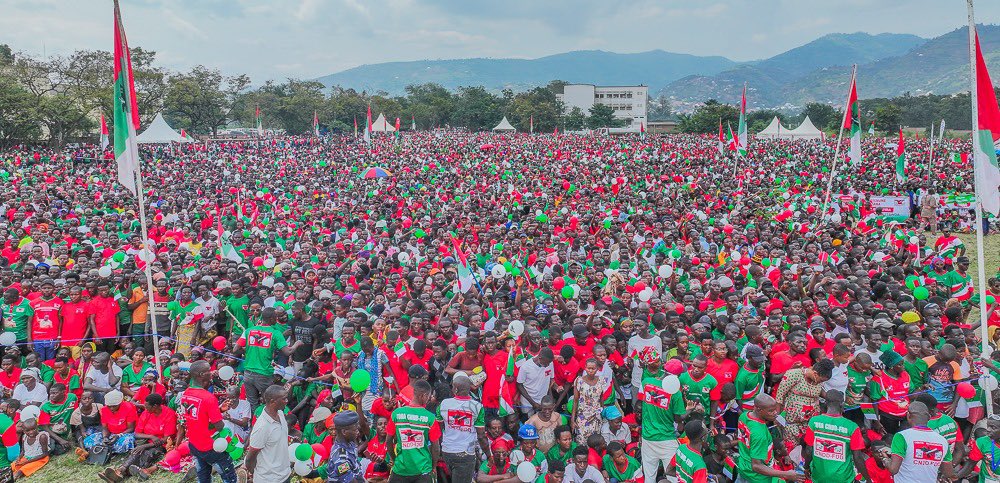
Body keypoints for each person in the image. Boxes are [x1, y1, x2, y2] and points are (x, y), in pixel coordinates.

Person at [179, 360, 236, 483]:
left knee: (203, 477)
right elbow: (219, 426)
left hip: (194, 444)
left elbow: (199, 418)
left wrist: (219, 410)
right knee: (229, 477)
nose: (212, 372)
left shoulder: (185, 394)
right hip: (211, 446)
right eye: (208, 370)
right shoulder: (208, 398)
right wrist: (222, 417)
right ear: (201, 375)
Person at [234, 307, 303, 409]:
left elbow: (235, 349)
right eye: (276, 317)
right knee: (269, 403)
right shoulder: (275, 333)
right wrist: (297, 344)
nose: (277, 319)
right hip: (264, 374)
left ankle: (254, 422)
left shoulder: (249, 330)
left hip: (248, 373)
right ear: (271, 319)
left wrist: (249, 350)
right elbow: (288, 351)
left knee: (252, 403)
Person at [802, 389, 869, 483]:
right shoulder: (852, 427)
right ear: (842, 405)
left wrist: (806, 467)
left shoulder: (814, 422)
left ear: (825, 403)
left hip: (819, 477)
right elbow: (857, 458)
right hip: (843, 478)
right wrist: (868, 479)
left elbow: (809, 451)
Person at [736, 394, 805, 483]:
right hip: (757, 478)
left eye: (775, 409)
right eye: (771, 411)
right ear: (759, 409)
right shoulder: (759, 434)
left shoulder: (744, 416)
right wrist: (786, 474)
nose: (775, 413)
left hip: (743, 469)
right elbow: (756, 466)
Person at [385, 379, 440, 483]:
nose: (428, 400)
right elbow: (435, 447)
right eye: (428, 397)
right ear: (423, 396)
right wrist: (433, 466)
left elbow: (388, 441)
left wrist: (394, 459)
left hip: (400, 468)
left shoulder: (396, 414)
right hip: (423, 469)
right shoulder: (430, 418)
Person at [886, 401, 955, 483]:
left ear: (908, 415)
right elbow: (948, 473)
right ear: (929, 417)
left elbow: (893, 469)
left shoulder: (901, 436)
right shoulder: (942, 441)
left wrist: (885, 459)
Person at [437, 375, 487, 483]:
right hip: (465, 454)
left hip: (447, 452)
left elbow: (438, 430)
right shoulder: (478, 407)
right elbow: (482, 436)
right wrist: (489, 455)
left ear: (455, 389)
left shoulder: (443, 404)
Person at [636, 369, 684, 482]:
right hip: (666, 439)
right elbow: (678, 418)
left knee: (649, 476)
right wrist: (689, 410)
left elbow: (640, 401)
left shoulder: (646, 382)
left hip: (648, 437)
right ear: (678, 375)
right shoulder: (676, 392)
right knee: (673, 478)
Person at [244, 385, 291, 483]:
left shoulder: (281, 414)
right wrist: (256, 474)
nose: (287, 401)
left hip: (285, 475)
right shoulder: (262, 427)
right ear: (273, 401)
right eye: (284, 399)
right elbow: (250, 459)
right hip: (269, 480)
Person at [326, 410, 365, 483]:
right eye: (355, 430)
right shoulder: (341, 459)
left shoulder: (349, 443)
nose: (358, 432)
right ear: (344, 432)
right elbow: (350, 481)